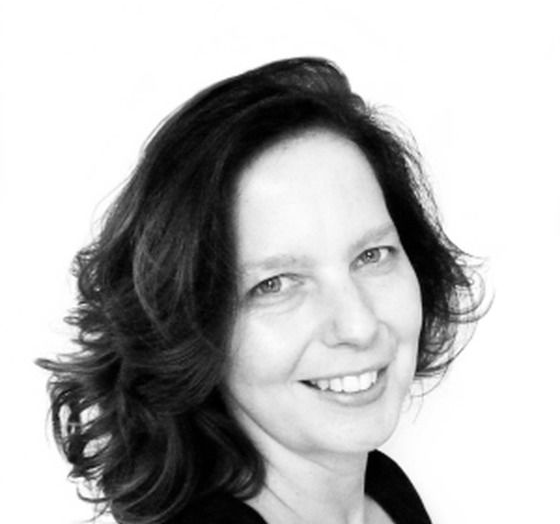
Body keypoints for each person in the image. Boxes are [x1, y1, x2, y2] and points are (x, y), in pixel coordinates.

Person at [38, 57, 486, 524]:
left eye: (372, 255)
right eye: (276, 285)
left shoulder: (383, 489)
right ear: (190, 327)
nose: (358, 325)